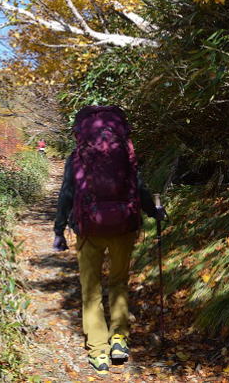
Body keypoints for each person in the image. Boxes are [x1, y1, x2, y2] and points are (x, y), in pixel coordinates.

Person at [52, 105, 160, 375]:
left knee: (91, 289)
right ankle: (119, 340)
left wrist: (59, 230)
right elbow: (139, 188)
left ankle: (98, 352)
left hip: (89, 229)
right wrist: (153, 212)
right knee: (119, 282)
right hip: (124, 226)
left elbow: (66, 194)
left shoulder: (76, 158)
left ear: (80, 131)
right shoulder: (125, 153)